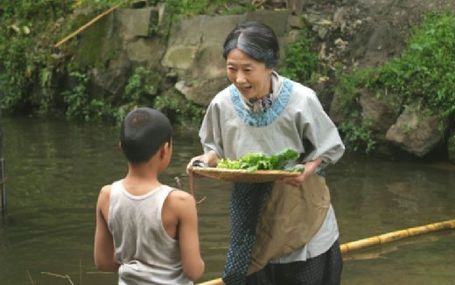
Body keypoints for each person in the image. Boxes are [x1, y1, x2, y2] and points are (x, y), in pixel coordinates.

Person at [187, 21, 345, 285]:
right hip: (252, 213)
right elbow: (215, 149)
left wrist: (306, 170)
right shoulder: (222, 103)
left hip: (300, 208)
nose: (239, 79)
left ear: (269, 65)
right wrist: (206, 160)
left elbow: (329, 147)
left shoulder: (301, 100)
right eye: (232, 69)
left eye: (248, 70)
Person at [94, 107, 205, 284]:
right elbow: (193, 271)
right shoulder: (180, 202)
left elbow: (103, 262)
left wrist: (136, 268)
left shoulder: (106, 196)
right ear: (164, 150)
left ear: (121, 148)